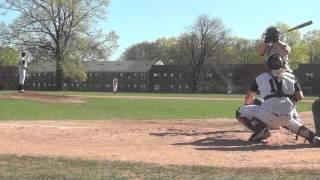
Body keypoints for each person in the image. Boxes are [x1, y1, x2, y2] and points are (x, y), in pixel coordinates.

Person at [236, 54, 320, 144]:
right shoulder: (292, 77)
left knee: (240, 112)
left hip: (267, 116)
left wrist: (252, 108)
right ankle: (313, 137)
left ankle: (260, 129)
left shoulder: (261, 77)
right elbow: (300, 97)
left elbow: (248, 99)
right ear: (283, 64)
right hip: (287, 116)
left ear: (268, 65)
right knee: (287, 119)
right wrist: (289, 102)